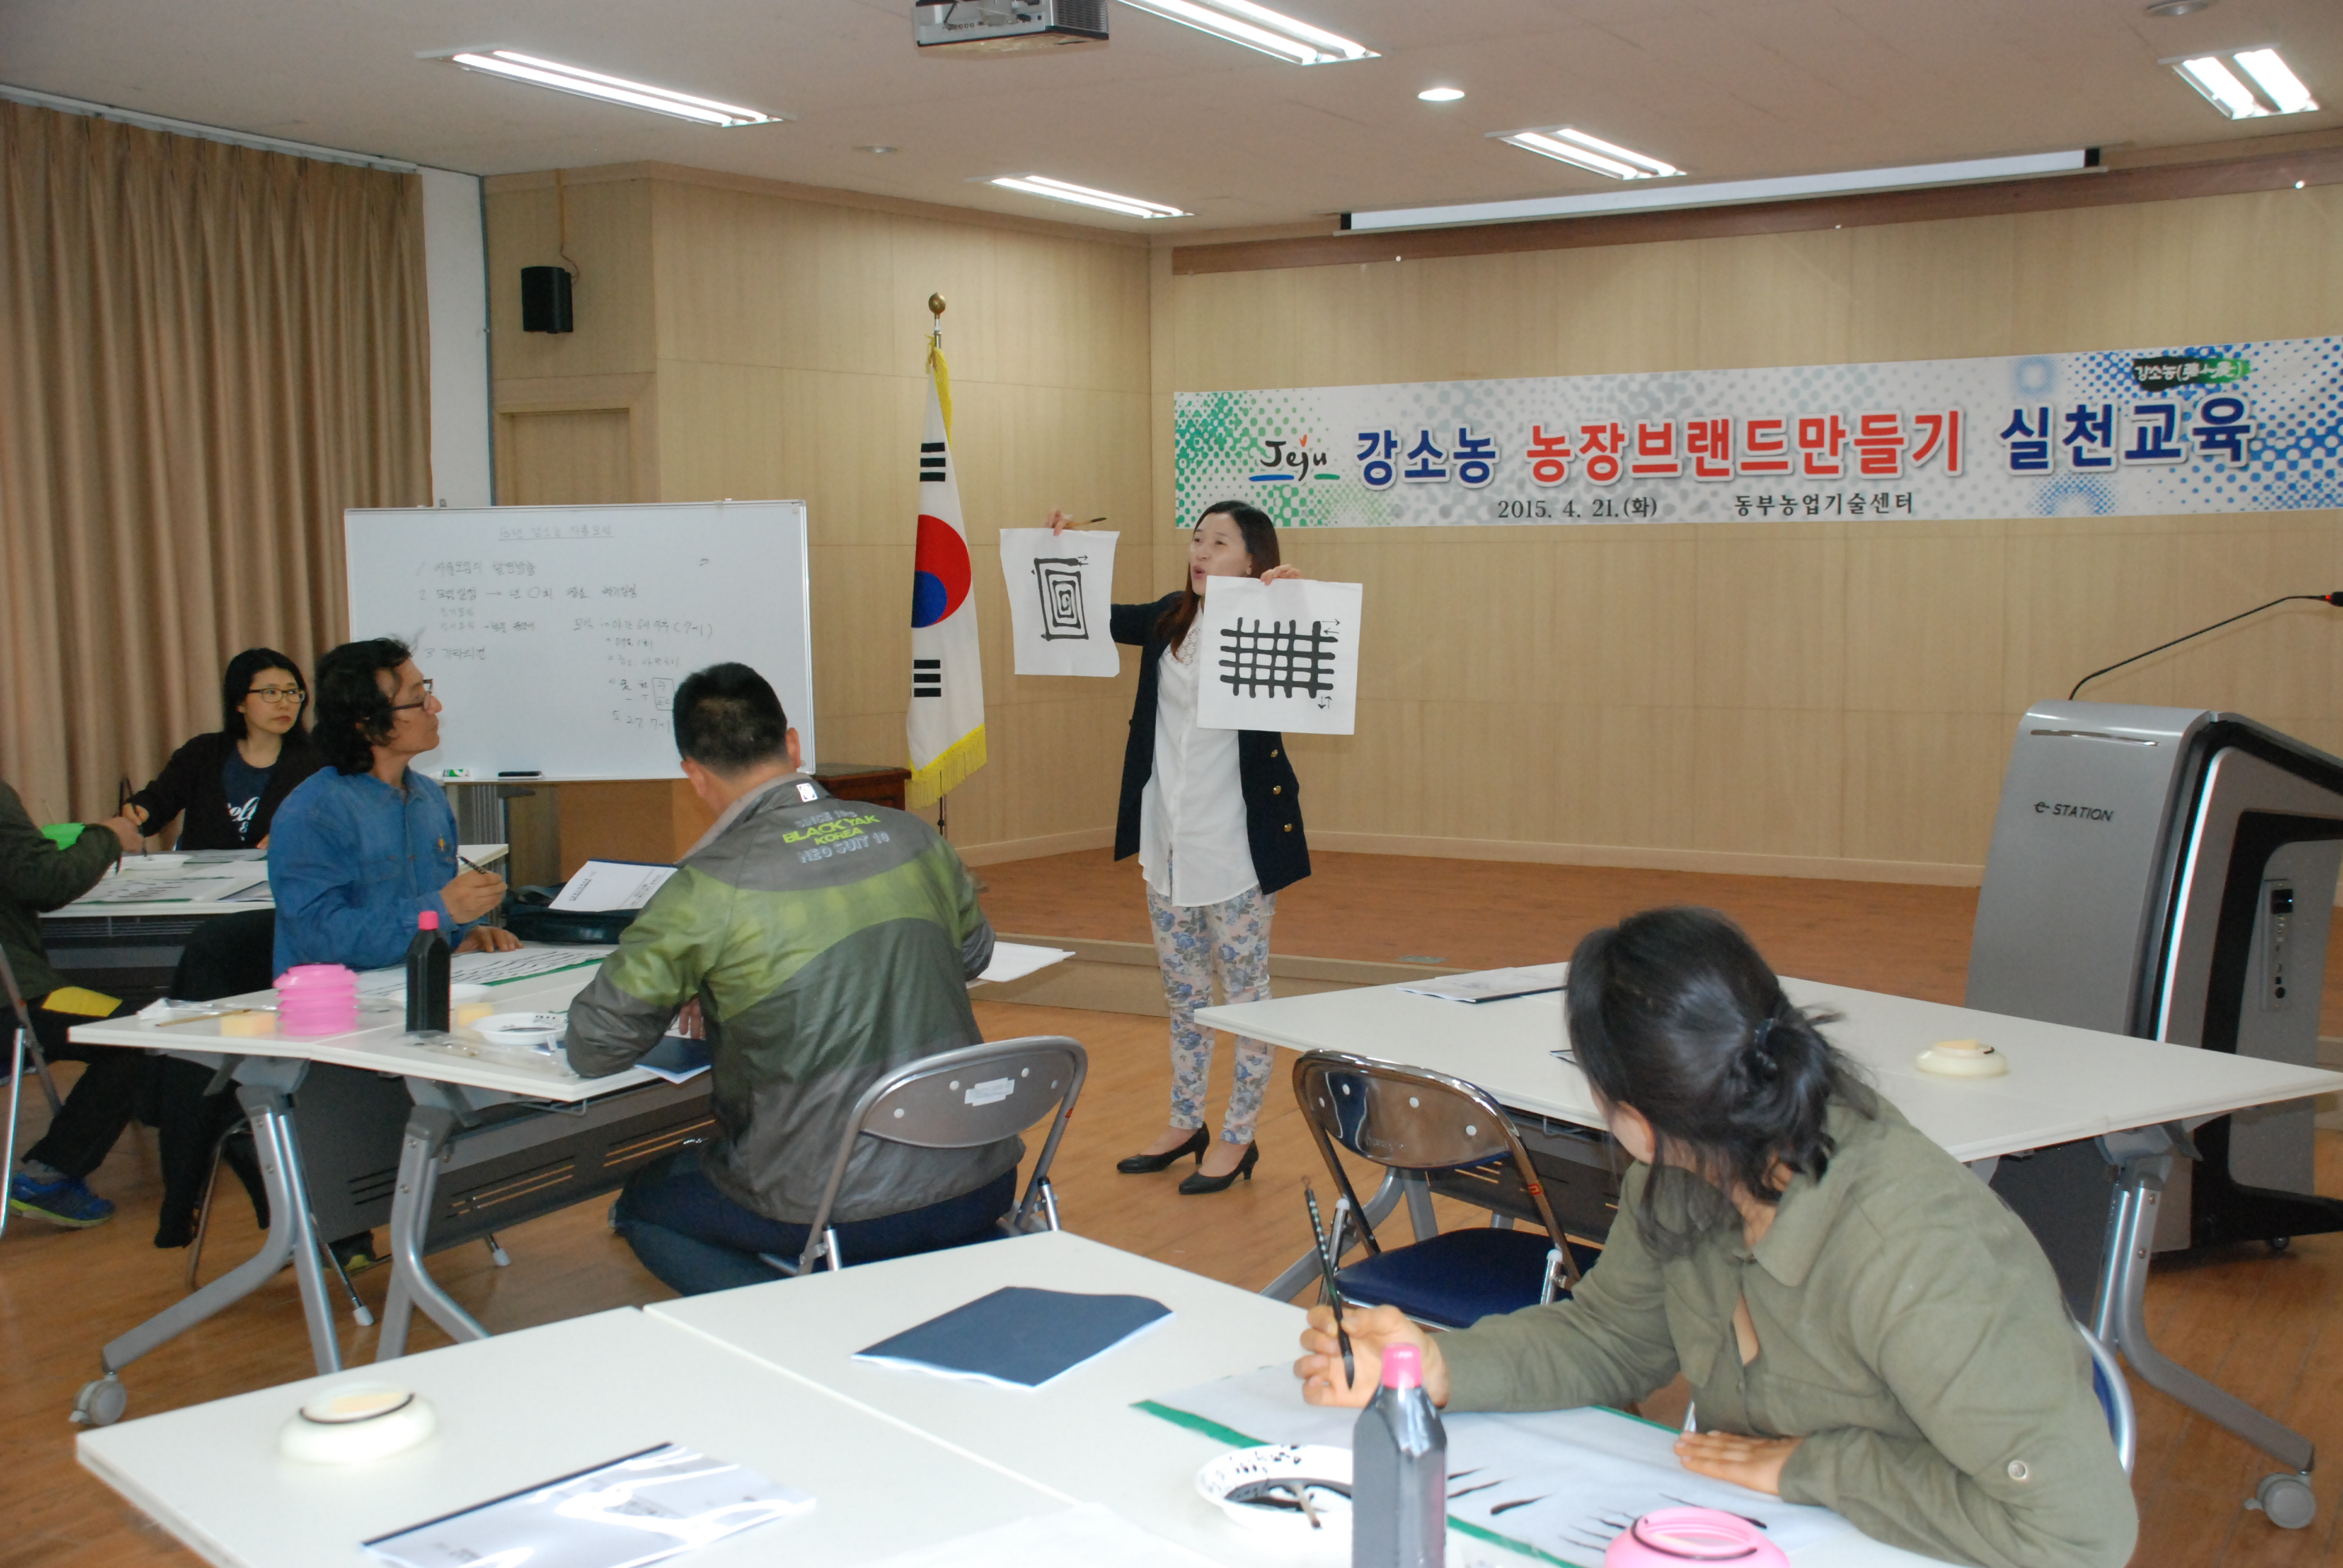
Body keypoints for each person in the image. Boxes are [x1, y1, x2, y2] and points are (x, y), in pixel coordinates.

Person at [1291, 907, 2138, 1568]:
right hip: (1769, 1534)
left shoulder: (1915, 1252)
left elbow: (2079, 1535)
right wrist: (1440, 1371)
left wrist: (1811, 1469)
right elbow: (1610, 1340)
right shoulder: (1690, 1169)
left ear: (1630, 1114)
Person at [566, 662, 1016, 1295]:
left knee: (645, 1203)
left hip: (829, 1201)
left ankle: (800, 1328)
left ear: (694, 776)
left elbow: (594, 1048)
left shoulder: (708, 886)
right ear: (794, 744)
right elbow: (972, 955)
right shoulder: (912, 836)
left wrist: (714, 980)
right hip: (978, 1176)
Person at [1054, 502, 1308, 1194]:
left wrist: (1287, 603)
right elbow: (1086, 618)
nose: (1200, 552)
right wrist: (1058, 553)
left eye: (1219, 543)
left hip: (1235, 849)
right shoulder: (1171, 616)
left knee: (1246, 1001)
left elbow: (1307, 681)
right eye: (1196, 540)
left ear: (1252, 558)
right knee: (1184, 997)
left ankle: (1236, 1136)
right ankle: (1184, 1120)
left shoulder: (1268, 617)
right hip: (1166, 844)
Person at [267, 638, 520, 974]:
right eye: (417, 700)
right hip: (340, 1003)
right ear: (366, 720)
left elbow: (426, 911)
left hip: (418, 983)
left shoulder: (428, 798)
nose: (436, 706)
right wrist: (443, 909)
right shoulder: (315, 812)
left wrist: (464, 932)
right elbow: (319, 938)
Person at [2, 780, 146, 1227]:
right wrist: (107, 836)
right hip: (12, 1005)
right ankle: (52, 1173)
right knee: (137, 1032)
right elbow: (45, 880)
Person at [124, 647, 323, 850]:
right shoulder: (203, 753)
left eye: (292, 692)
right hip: (204, 879)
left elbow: (337, 823)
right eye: (270, 693)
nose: (285, 703)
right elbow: (159, 800)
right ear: (240, 702)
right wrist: (141, 811)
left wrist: (302, 835)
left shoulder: (317, 761)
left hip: (281, 878)